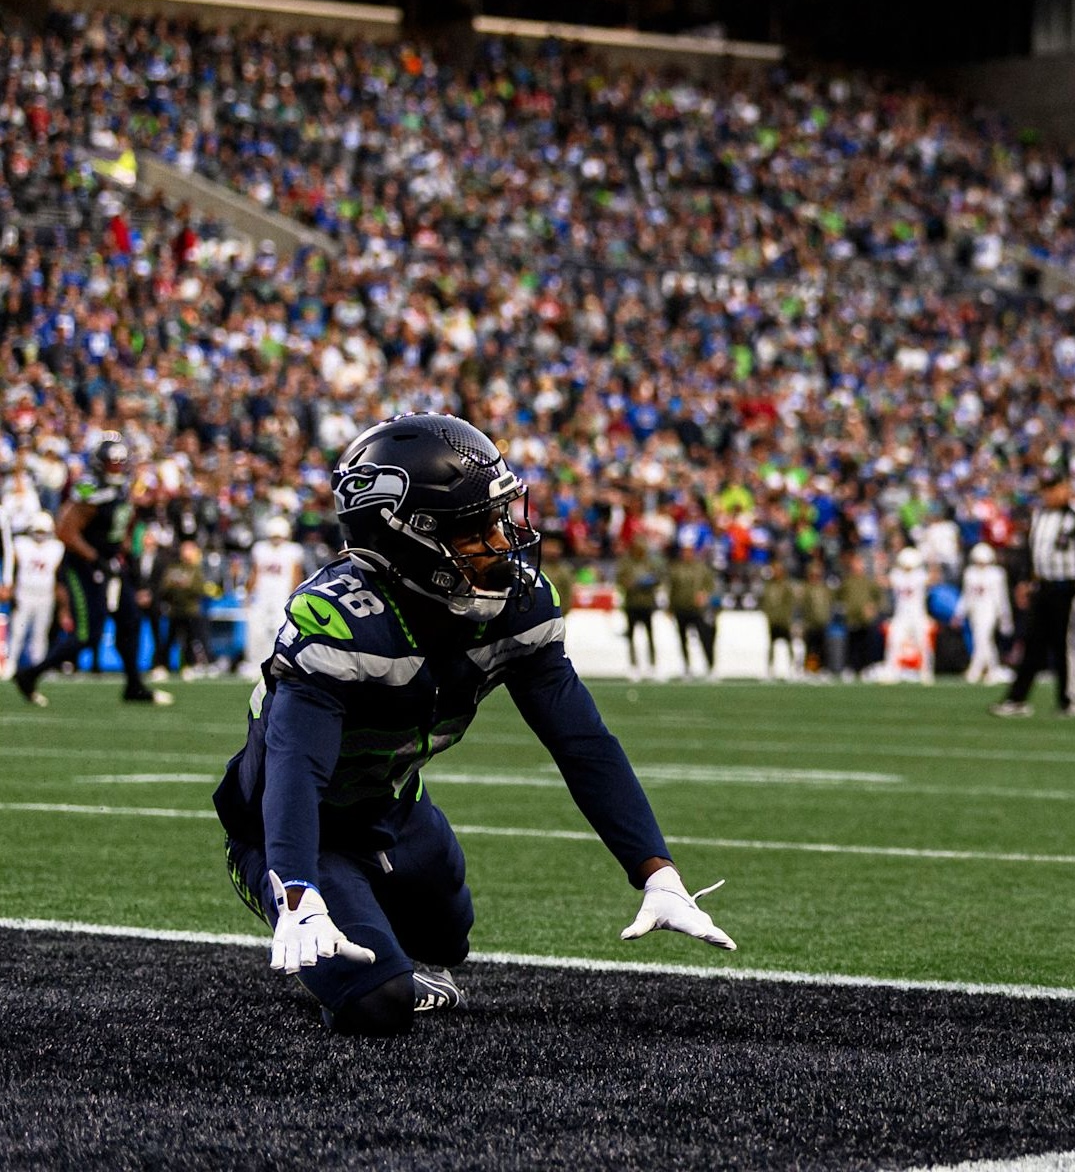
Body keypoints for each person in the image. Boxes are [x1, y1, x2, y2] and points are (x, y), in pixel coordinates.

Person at [212, 413, 734, 1036]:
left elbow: (582, 741)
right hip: (294, 830)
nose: (501, 540)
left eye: (500, 517)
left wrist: (658, 872)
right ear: (409, 538)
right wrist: (297, 890)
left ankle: (369, 933)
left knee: (450, 939)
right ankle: (336, 941)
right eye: (476, 529)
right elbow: (296, 769)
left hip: (395, 810)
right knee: (379, 1004)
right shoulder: (341, 621)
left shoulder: (514, 606)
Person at [13, 439, 165, 706]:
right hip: (84, 566)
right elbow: (65, 530)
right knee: (87, 634)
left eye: (120, 463)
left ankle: (134, 685)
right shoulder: (90, 488)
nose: (117, 468)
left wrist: (121, 551)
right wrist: (96, 557)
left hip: (110, 563)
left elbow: (123, 524)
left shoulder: (123, 489)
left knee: (130, 619)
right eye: (112, 463)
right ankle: (29, 675)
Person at [992, 472, 1075, 718]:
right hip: (1042, 587)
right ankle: (1017, 699)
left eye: (1053, 488)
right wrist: (1025, 581)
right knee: (1032, 643)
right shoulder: (1040, 514)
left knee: (1063, 645)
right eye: (1045, 489)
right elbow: (1034, 551)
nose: (1049, 494)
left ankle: (1068, 701)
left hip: (1067, 588)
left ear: (1065, 488)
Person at [6, 511, 64, 694]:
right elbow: (13, 565)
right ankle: (10, 664)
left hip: (45, 594)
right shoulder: (21, 545)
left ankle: (37, 668)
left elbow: (57, 573)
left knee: (40, 634)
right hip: (24, 593)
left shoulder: (56, 547)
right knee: (18, 632)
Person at [247, 516, 308, 674]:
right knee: (257, 630)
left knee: (280, 631)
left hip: (282, 596)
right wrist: (248, 592)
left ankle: (278, 665)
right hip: (262, 596)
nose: (276, 539)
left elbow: (296, 575)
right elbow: (255, 572)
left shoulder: (293, 550)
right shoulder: (260, 548)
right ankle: (255, 664)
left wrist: (296, 596)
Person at [151, 539, 216, 680]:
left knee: (192, 639)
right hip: (175, 610)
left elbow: (200, 589)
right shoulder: (174, 567)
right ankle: (162, 666)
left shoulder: (196, 569)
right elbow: (165, 587)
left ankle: (189, 665)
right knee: (169, 640)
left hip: (191, 610)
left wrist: (186, 586)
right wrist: (177, 586)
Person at [960, 543, 1012, 684]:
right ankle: (993, 670)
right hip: (975, 611)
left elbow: (1002, 597)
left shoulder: (997, 574)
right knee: (986, 641)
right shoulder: (970, 573)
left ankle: (974, 670)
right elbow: (967, 595)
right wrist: (960, 612)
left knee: (981, 638)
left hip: (990, 610)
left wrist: (1005, 617)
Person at [667, 544, 718, 679]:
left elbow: (710, 584)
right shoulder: (676, 568)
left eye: (689, 552)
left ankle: (710, 666)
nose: (687, 554)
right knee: (683, 640)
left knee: (704, 638)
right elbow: (671, 589)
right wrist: (670, 607)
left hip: (697, 610)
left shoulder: (701, 568)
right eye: (685, 552)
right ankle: (687, 667)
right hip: (681, 608)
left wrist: (704, 594)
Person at [616, 536, 663, 680]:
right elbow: (621, 580)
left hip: (647, 603)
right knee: (631, 636)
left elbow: (658, 578)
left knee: (650, 636)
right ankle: (633, 665)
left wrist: (648, 582)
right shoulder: (626, 563)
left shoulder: (650, 563)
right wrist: (632, 584)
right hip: (632, 603)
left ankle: (652, 665)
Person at [886, 545, 934, 683]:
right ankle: (891, 672)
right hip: (901, 615)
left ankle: (926, 672)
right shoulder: (896, 574)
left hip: (918, 614)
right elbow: (888, 581)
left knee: (923, 643)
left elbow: (930, 578)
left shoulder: (920, 575)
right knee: (894, 642)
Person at [837, 551, 884, 682]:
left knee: (866, 643)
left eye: (859, 563)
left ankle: (866, 668)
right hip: (851, 617)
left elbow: (878, 597)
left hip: (865, 618)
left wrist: (873, 608)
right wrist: (844, 609)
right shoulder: (847, 581)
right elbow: (839, 596)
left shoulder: (868, 581)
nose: (857, 566)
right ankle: (851, 667)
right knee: (852, 643)